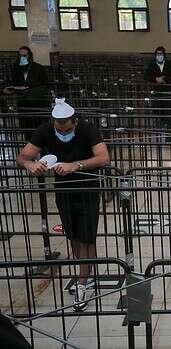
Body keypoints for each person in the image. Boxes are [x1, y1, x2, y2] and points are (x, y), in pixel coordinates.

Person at [16, 98, 110, 312]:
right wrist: (31, 164)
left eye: (66, 125)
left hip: (87, 189)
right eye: (58, 125)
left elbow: (103, 157)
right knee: (74, 236)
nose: (62, 130)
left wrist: (75, 165)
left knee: (87, 236)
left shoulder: (87, 129)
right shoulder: (45, 130)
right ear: (53, 121)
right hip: (63, 191)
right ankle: (86, 272)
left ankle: (83, 282)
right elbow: (22, 157)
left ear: (74, 121)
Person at [3, 46, 50, 140]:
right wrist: (9, 90)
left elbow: (45, 86)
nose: (22, 58)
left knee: (40, 129)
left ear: (29, 56)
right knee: (27, 129)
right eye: (20, 56)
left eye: (24, 56)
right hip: (23, 104)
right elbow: (13, 83)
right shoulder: (15, 69)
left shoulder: (39, 68)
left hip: (37, 104)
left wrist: (29, 91)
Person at [144, 46, 171, 129]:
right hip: (157, 90)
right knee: (158, 108)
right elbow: (146, 76)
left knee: (170, 109)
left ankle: (170, 126)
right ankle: (161, 124)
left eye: (161, 54)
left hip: (168, 90)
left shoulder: (170, 63)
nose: (159, 56)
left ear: (164, 55)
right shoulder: (152, 64)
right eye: (157, 54)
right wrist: (155, 79)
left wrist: (163, 79)